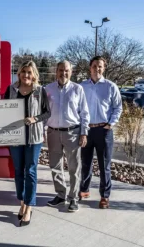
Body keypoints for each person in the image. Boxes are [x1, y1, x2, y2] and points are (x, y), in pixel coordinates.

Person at [4, 60, 51, 227]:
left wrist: (35, 119)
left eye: (29, 72)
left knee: (30, 170)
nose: (26, 75)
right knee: (18, 170)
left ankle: (29, 206)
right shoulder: (11, 89)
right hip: (15, 137)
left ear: (34, 74)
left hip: (34, 136)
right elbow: (2, 110)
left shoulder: (40, 91)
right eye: (23, 72)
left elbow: (47, 113)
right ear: (19, 73)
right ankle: (22, 201)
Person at [45, 60, 90, 212]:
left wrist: (84, 133)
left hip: (72, 133)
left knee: (74, 168)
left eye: (66, 70)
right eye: (60, 70)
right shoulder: (48, 89)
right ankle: (60, 194)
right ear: (55, 71)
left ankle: (73, 198)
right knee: (55, 166)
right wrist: (44, 130)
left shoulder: (78, 89)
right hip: (53, 132)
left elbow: (84, 113)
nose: (63, 73)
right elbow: (45, 112)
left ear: (71, 72)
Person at [80, 56, 122, 209]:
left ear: (104, 68)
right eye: (94, 66)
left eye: (100, 66)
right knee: (85, 162)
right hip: (86, 130)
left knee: (104, 165)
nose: (97, 69)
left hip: (104, 130)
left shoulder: (111, 87)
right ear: (90, 68)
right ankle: (84, 189)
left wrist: (110, 124)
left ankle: (105, 196)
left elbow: (118, 107)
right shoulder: (82, 86)